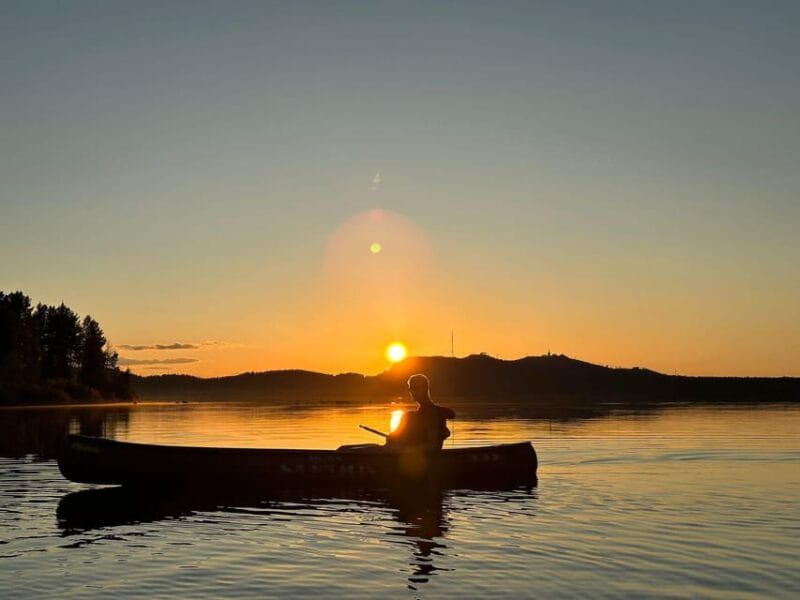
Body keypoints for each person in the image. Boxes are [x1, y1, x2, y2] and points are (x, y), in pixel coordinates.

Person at [386, 374, 455, 452]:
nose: (413, 392)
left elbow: (432, 446)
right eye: (411, 388)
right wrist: (392, 437)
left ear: (425, 389)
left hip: (423, 457)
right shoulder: (410, 416)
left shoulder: (433, 413)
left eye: (417, 388)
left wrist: (408, 450)